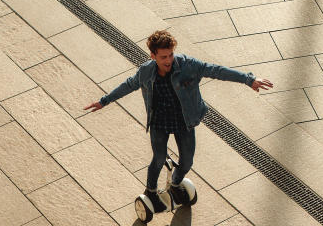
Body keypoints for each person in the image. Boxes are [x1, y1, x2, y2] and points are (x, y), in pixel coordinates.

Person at [84, 30, 273, 210]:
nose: (168, 61)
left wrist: (248, 80)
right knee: (158, 158)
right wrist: (104, 101)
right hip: (159, 121)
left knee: (187, 162)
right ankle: (150, 191)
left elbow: (216, 71)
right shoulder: (146, 72)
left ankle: (174, 184)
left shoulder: (188, 65)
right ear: (153, 56)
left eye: (170, 55)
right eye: (163, 57)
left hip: (184, 120)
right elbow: (129, 85)